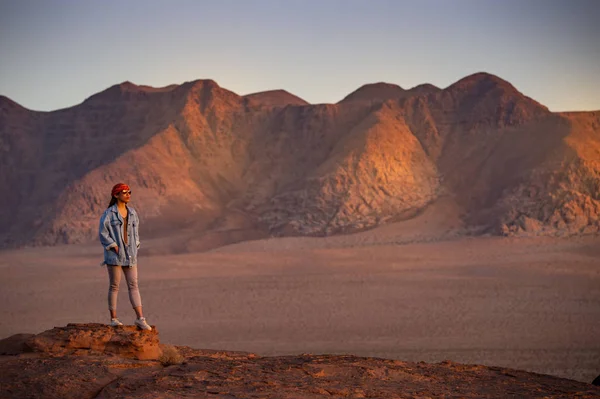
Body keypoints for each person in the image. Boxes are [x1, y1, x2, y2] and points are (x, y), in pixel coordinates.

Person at [98, 183, 151, 330]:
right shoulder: (109, 214)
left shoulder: (133, 213)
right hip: (115, 256)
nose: (128, 194)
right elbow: (103, 233)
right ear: (116, 195)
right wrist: (113, 245)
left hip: (131, 255)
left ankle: (140, 318)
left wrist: (136, 245)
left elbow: (136, 233)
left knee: (134, 285)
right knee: (114, 286)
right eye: (124, 192)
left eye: (129, 192)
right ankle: (114, 319)